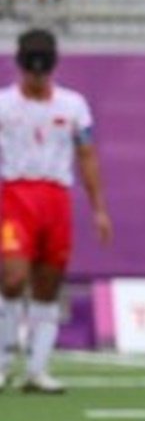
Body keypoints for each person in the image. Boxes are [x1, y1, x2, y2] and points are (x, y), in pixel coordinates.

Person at [0, 29, 112, 394]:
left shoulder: (73, 105)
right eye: (30, 71)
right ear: (20, 67)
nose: (36, 79)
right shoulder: (4, 105)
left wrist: (98, 208)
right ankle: (3, 362)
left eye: (42, 71)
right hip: (14, 197)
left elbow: (87, 156)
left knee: (48, 286)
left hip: (55, 199)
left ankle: (37, 369)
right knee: (13, 278)